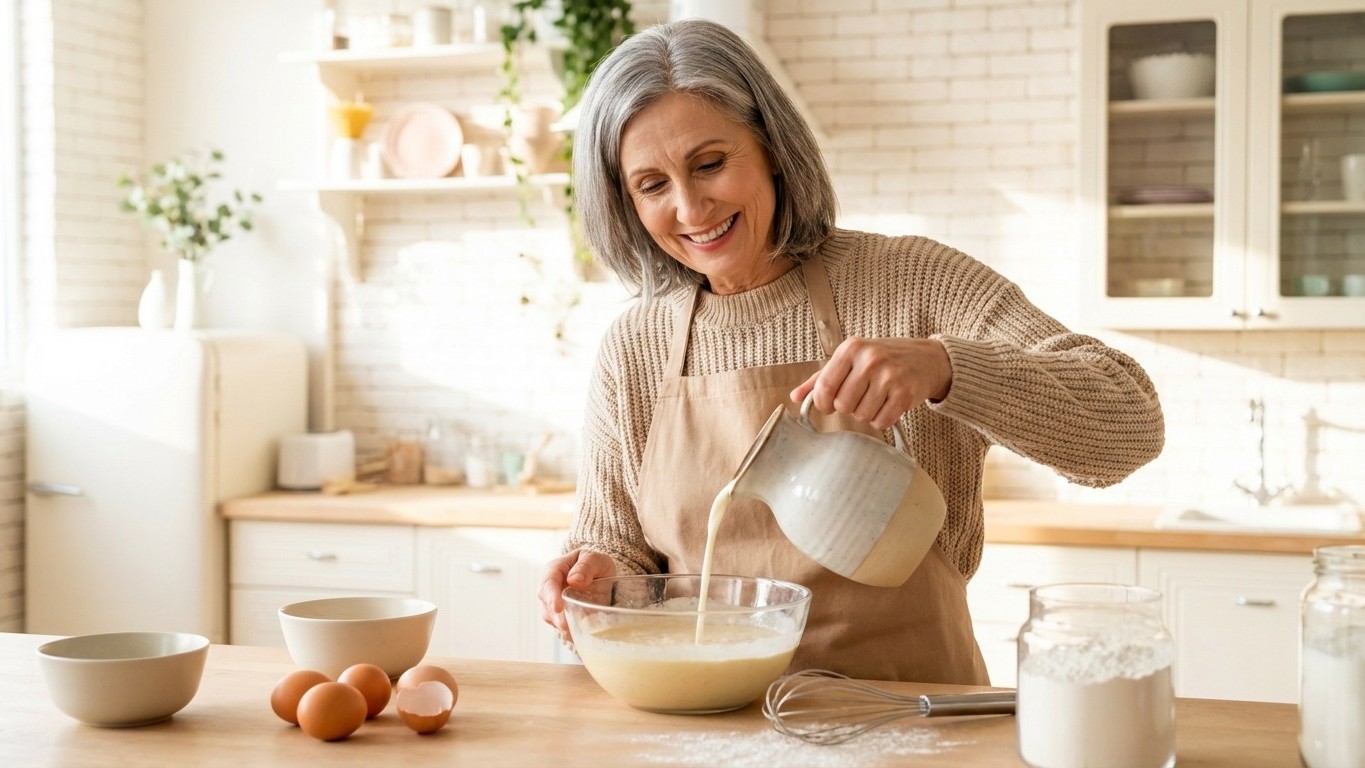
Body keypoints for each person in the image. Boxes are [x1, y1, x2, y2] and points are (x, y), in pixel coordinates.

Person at [537, 18, 1164, 684]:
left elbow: (1130, 426)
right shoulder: (635, 348)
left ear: (771, 148)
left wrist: (949, 367)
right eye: (652, 186)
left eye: (710, 163)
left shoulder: (911, 282)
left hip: (913, 718)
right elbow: (619, 549)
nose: (691, 208)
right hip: (713, 730)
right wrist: (601, 577)